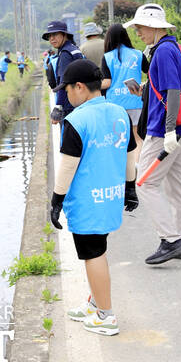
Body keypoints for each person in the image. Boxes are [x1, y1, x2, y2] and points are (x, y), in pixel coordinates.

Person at [50, 59, 139, 336]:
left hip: (88, 200)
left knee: (93, 254)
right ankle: (94, 303)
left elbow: (67, 165)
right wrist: (131, 186)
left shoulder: (76, 120)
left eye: (67, 89)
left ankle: (106, 315)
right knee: (98, 248)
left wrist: (56, 200)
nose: (65, 95)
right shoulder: (119, 112)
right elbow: (129, 153)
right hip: (110, 196)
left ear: (80, 87)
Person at [123, 3, 181, 264]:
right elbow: (167, 88)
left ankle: (170, 240)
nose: (138, 33)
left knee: (145, 182)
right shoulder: (174, 47)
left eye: (141, 27)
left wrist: (167, 131)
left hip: (164, 130)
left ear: (154, 27)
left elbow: (174, 91)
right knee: (176, 186)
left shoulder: (163, 51)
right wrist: (143, 89)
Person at [101, 23, 150, 161]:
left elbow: (107, 82)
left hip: (114, 104)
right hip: (135, 101)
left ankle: (123, 172)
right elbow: (152, 73)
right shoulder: (138, 54)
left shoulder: (107, 57)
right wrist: (144, 84)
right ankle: (137, 169)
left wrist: (91, 85)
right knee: (138, 138)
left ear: (109, 38)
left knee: (119, 139)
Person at [42, 20, 85, 122]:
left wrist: (59, 107)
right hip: (80, 99)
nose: (52, 38)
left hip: (70, 104)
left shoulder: (65, 54)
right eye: (49, 36)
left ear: (64, 34)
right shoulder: (74, 49)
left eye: (55, 34)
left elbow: (63, 81)